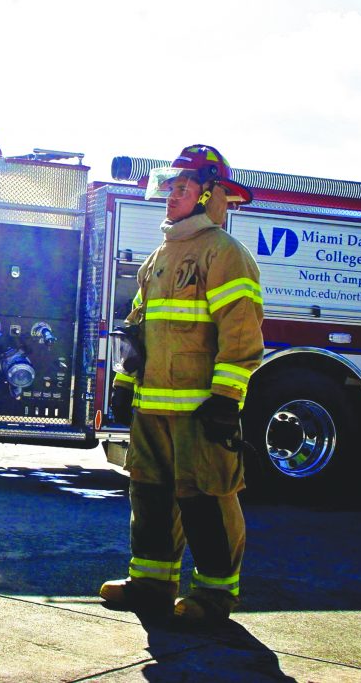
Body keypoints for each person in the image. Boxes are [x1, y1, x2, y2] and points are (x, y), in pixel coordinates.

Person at [100, 144, 264, 626]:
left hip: (199, 411)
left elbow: (241, 332)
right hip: (153, 409)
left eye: (183, 187)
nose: (171, 195)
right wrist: (125, 381)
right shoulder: (160, 256)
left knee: (206, 499)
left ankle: (213, 595)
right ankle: (151, 584)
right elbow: (139, 327)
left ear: (208, 195)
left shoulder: (224, 254)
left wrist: (225, 399)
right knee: (149, 496)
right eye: (170, 187)